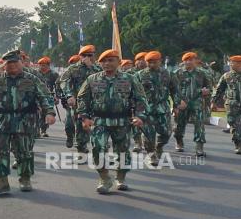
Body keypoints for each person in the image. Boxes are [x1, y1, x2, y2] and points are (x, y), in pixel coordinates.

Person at [0, 50, 56, 193]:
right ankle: (1, 181)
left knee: (24, 151)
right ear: (3, 65)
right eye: (8, 63)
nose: (12, 65)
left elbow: (45, 95)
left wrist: (49, 112)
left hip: (24, 120)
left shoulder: (31, 79)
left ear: (21, 62)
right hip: (1, 119)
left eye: (14, 62)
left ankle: (25, 179)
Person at [77, 49, 148, 194]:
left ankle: (120, 177)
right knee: (98, 149)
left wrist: (140, 116)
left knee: (122, 151)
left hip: (122, 121)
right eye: (104, 61)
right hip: (99, 121)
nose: (107, 63)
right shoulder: (92, 79)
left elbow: (140, 99)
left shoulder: (130, 79)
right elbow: (82, 98)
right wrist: (84, 117)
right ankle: (104, 178)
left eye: (111, 60)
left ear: (118, 62)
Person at [135, 51, 183, 165]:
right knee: (148, 134)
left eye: (154, 62)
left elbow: (175, 90)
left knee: (166, 133)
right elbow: (134, 93)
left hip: (163, 108)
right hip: (146, 109)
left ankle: (159, 146)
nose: (151, 64)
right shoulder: (139, 75)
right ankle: (151, 154)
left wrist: (176, 105)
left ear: (160, 61)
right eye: (149, 62)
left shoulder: (168, 74)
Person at [60, 45, 102, 153]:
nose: (87, 57)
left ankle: (89, 146)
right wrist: (69, 95)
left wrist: (91, 67)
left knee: (93, 126)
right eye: (84, 55)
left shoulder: (99, 68)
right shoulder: (73, 68)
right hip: (77, 102)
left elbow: (104, 80)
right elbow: (64, 81)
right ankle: (80, 146)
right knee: (77, 124)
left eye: (90, 55)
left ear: (94, 55)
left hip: (95, 102)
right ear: (80, 56)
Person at [173, 52, 211, 157]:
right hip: (182, 103)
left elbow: (209, 87)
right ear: (183, 61)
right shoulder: (177, 73)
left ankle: (199, 147)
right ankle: (179, 141)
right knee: (179, 125)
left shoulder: (202, 73)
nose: (188, 62)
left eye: (191, 59)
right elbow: (172, 90)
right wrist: (176, 103)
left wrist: (207, 92)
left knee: (199, 125)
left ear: (196, 60)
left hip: (197, 102)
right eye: (186, 60)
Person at [212, 55, 241, 154]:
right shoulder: (227, 76)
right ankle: (238, 144)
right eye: (230, 62)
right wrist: (213, 102)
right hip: (232, 105)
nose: (230, 64)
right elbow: (219, 90)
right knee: (235, 125)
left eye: (233, 62)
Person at [37, 56, 59, 138]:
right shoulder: (36, 73)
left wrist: (57, 97)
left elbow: (58, 86)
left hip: (49, 97)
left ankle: (43, 130)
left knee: (46, 113)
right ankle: (37, 129)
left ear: (48, 65)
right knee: (37, 113)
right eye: (40, 65)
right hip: (37, 96)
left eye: (44, 65)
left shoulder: (54, 75)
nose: (42, 67)